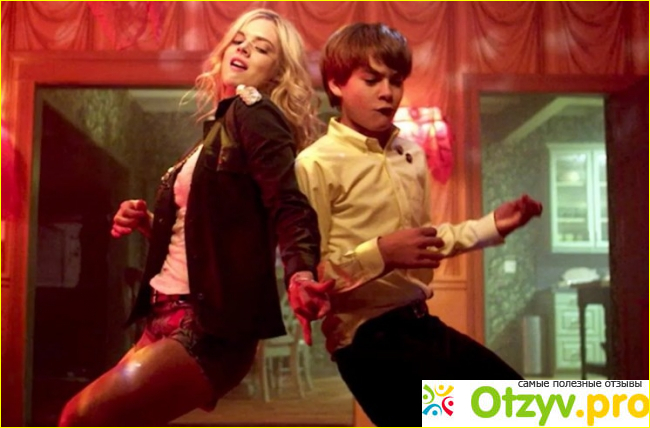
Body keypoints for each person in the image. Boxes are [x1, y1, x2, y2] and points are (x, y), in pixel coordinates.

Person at [58, 9, 332, 426]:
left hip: (205, 325)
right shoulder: (221, 128)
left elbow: (289, 204)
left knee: (79, 416)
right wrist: (151, 223)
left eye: (261, 48)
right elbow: (208, 232)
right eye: (239, 39)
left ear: (276, 73)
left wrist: (301, 274)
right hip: (164, 312)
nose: (245, 48)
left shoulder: (255, 113)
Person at [294, 22, 544, 427]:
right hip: (366, 340)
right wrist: (382, 253)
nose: (387, 92)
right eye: (371, 80)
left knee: (538, 409)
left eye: (396, 80)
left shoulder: (410, 153)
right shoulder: (313, 163)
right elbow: (311, 279)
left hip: (419, 322)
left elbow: (424, 240)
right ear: (336, 84)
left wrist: (491, 226)